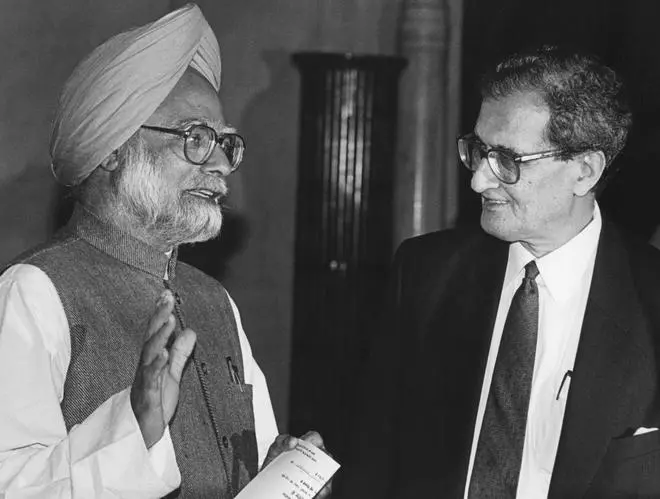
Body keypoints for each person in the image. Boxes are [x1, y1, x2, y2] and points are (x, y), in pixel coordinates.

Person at [0, 4, 329, 498]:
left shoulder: (215, 302)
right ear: (113, 148)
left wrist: (282, 484)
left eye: (224, 143)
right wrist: (134, 429)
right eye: (195, 137)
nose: (221, 164)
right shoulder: (34, 292)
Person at [344, 46, 660, 498]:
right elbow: (372, 462)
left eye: (507, 161)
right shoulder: (425, 275)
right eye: (477, 151)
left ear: (584, 171)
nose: (478, 179)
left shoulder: (652, 300)